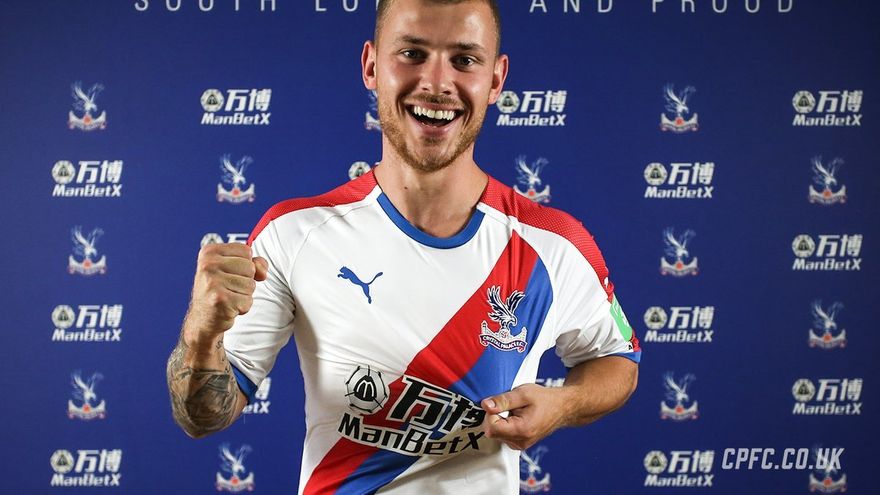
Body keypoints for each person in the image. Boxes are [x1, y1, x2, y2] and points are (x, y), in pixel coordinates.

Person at [166, 0, 641, 493]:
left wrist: (563, 404)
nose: (436, 82)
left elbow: (617, 359)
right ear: (372, 66)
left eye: (464, 59)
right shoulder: (294, 233)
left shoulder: (554, 242)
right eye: (413, 53)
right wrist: (202, 334)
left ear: (496, 80)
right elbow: (202, 416)